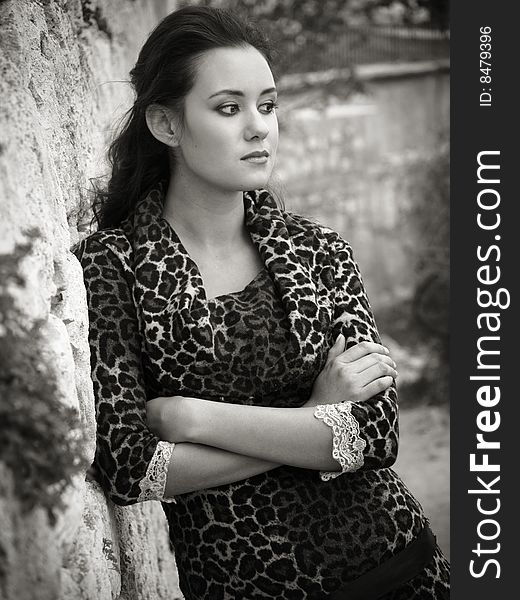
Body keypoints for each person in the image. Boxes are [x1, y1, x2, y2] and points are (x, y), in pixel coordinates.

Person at [72, 5, 450, 599]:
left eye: (268, 105)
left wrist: (196, 419)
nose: (259, 127)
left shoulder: (319, 252)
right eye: (229, 108)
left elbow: (374, 434)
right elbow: (131, 466)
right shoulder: (113, 266)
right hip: (241, 584)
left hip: (395, 567)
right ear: (167, 125)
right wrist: (314, 423)